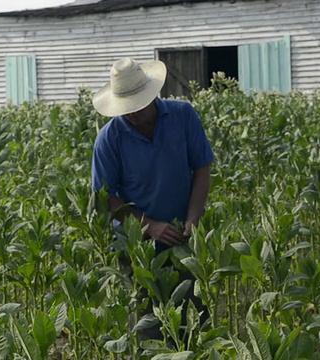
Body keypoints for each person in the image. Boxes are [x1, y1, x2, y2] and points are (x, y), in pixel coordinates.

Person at [90, 57, 214, 342]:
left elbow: (202, 169)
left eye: (137, 105)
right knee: (150, 327)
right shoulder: (109, 139)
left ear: (153, 94)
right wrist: (150, 226)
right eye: (126, 108)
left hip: (184, 238)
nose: (131, 113)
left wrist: (193, 218)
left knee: (194, 321)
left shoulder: (183, 116)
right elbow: (108, 200)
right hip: (138, 246)